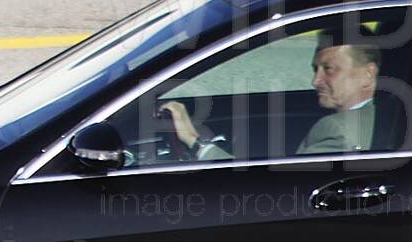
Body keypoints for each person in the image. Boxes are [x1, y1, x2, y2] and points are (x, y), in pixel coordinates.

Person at [162, 35, 392, 161]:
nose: (315, 81)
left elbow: (267, 192)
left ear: (368, 74)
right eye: (315, 70)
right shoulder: (385, 116)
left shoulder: (337, 130)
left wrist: (195, 141)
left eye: (328, 69)